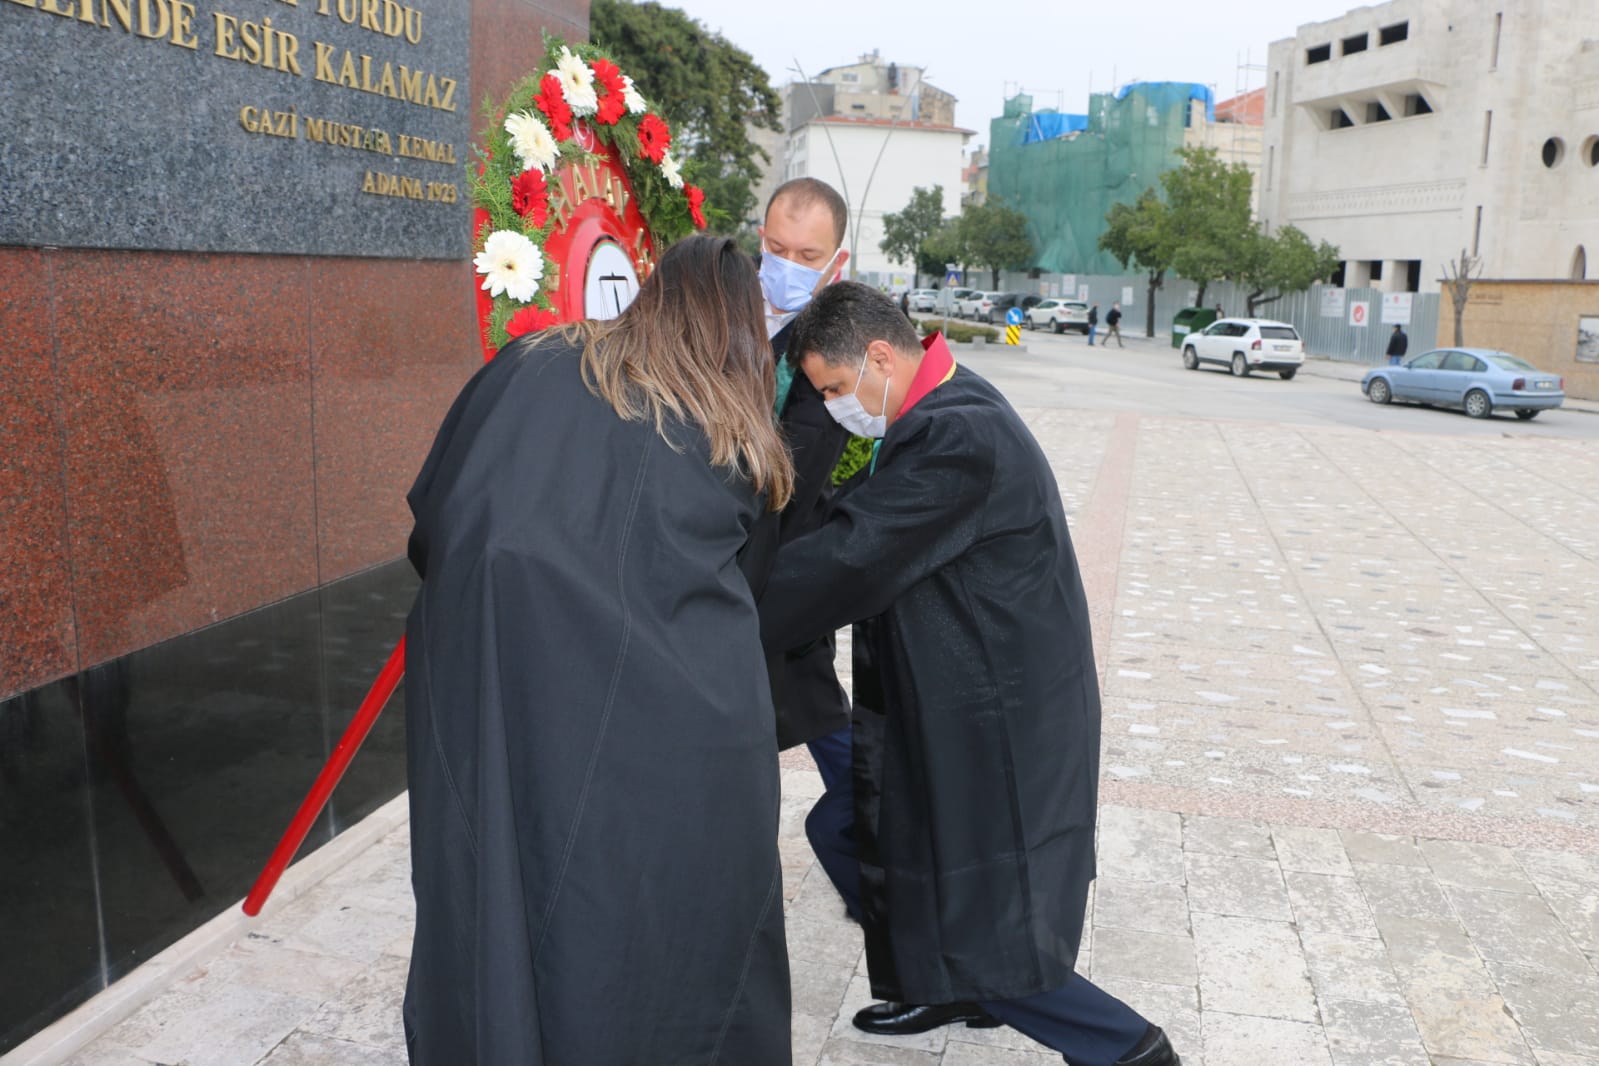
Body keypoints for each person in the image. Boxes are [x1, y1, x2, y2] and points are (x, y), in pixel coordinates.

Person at [760, 282, 1181, 1066]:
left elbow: (853, 555)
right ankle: (945, 985)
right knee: (850, 833)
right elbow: (859, 524)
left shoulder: (959, 434)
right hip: (953, 704)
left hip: (998, 725)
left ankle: (1128, 1048)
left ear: (879, 356)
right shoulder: (938, 406)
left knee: (983, 926)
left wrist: (712, 605)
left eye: (833, 389)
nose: (832, 408)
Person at [402, 236, 794, 1065]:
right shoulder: (724, 423)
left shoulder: (528, 363)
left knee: (499, 900)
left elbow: (435, 514)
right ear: (738, 331)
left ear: (653, 292)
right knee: (650, 931)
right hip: (674, 732)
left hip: (495, 686)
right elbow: (748, 583)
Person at [747, 177, 858, 903]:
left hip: (786, 571)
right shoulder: (723, 312)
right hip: (726, 570)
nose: (787, 265)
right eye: (776, 248)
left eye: (805, 253)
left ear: (835, 264)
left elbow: (811, 466)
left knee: (827, 729)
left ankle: (882, 881)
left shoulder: (842, 342)